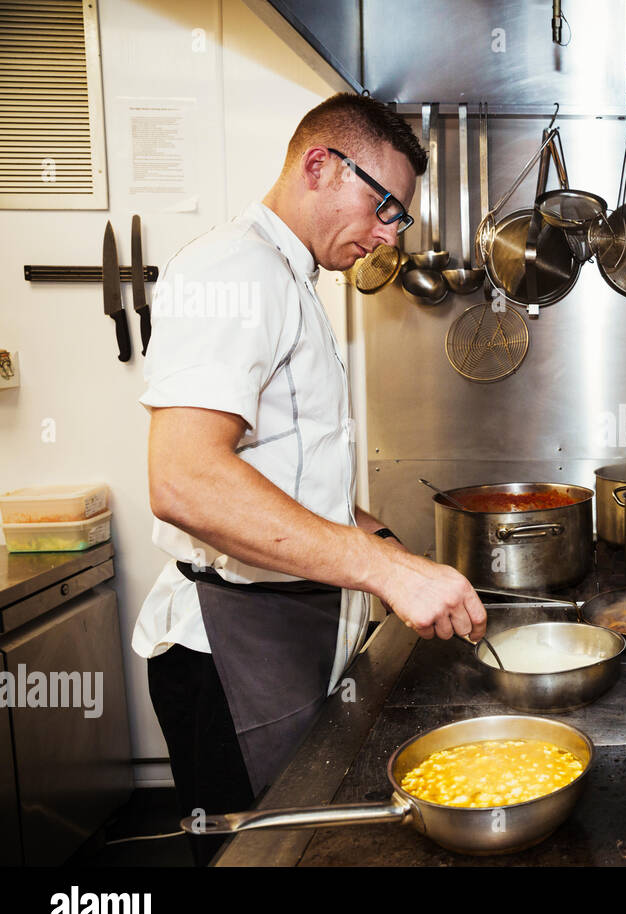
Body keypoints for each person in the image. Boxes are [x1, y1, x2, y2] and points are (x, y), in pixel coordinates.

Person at [131, 93, 486, 865]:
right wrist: (387, 570)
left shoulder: (289, 280)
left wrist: (381, 541)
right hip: (231, 648)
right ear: (320, 165)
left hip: (285, 630)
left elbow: (282, 471)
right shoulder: (234, 269)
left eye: (401, 218)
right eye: (383, 205)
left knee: (298, 847)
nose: (388, 235)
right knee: (256, 858)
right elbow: (185, 479)